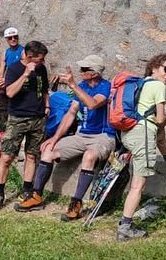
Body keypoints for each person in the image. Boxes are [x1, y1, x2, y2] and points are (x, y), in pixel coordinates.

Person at [16, 54, 114, 218]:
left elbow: (93, 104)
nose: (81, 72)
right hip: (82, 134)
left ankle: (75, 203)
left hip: (103, 136)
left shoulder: (105, 87)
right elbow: (71, 114)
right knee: (48, 151)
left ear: (95, 72)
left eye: (84, 69)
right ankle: (36, 196)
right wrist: (54, 139)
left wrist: (73, 85)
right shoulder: (82, 85)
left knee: (89, 156)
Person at [116, 54, 166, 242]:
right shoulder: (158, 86)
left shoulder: (141, 83)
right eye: (165, 69)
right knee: (138, 185)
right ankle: (125, 227)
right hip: (142, 134)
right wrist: (162, 122)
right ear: (154, 67)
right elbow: (160, 119)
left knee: (137, 182)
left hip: (127, 133)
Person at [0, 40, 49, 210]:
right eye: (39, 60)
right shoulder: (15, 69)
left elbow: (44, 90)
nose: (42, 63)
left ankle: (27, 189)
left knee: (31, 156)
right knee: (7, 156)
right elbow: (9, 92)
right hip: (18, 119)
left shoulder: (41, 69)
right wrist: (25, 74)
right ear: (30, 58)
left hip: (38, 119)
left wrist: (47, 106)